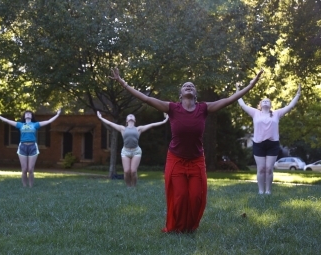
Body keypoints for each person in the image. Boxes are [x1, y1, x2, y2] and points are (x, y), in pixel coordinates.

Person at [108, 67, 263, 233]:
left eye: (192, 85)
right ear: (180, 94)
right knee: (180, 197)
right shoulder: (173, 108)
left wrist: (251, 85)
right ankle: (178, 227)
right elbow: (146, 98)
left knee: (196, 197)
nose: (189, 86)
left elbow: (229, 100)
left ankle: (190, 226)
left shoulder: (203, 109)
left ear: (195, 94)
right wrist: (123, 83)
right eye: (185, 85)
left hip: (196, 160)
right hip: (176, 159)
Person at [236, 83, 301, 195]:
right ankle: (261, 191)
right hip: (258, 144)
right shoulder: (255, 113)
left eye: (268, 101)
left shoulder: (276, 114)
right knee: (261, 169)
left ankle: (268, 191)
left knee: (269, 169)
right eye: (263, 101)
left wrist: (298, 95)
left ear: (270, 105)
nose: (265, 101)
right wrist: (238, 91)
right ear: (260, 105)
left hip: (272, 144)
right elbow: (242, 105)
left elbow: (290, 106)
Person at [97, 111, 169, 187]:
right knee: (127, 171)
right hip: (125, 152)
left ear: (135, 120)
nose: (131, 116)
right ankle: (129, 187)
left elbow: (152, 125)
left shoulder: (139, 129)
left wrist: (164, 121)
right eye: (129, 116)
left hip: (136, 152)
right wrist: (101, 117)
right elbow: (110, 124)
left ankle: (133, 186)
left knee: (133, 171)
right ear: (127, 120)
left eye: (132, 116)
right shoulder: (122, 129)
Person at [0, 108, 61, 187]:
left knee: (30, 169)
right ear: (24, 116)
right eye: (26, 113)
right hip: (22, 146)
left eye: (30, 113)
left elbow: (48, 121)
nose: (28, 114)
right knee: (24, 169)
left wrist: (57, 114)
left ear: (32, 116)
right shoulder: (20, 125)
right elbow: (7, 121)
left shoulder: (35, 125)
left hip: (33, 146)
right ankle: (24, 186)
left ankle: (31, 186)